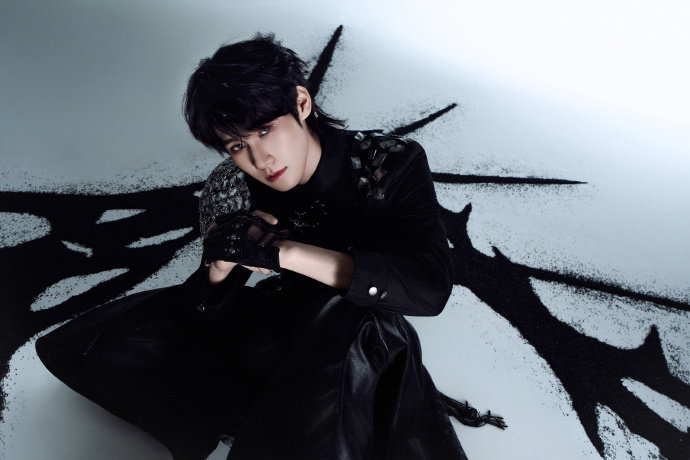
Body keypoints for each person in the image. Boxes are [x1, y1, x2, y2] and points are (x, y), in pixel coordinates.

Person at [36, 33, 504, 460]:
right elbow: (200, 310)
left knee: (348, 317)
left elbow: (429, 291)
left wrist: (288, 252)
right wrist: (220, 267)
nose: (260, 159)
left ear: (301, 102)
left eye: (265, 130)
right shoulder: (231, 187)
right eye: (236, 146)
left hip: (362, 345)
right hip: (278, 333)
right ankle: (242, 423)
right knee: (112, 343)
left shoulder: (386, 164)